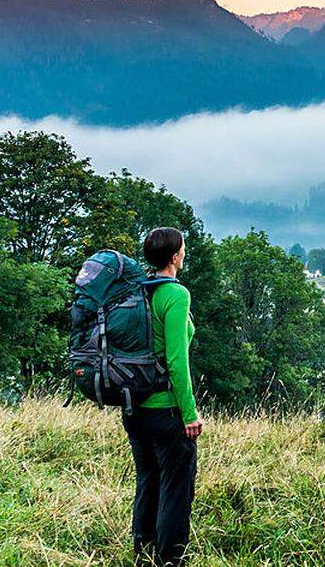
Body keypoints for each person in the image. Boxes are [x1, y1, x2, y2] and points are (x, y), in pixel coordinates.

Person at [123, 227, 202, 566]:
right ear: (174, 257)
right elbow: (176, 361)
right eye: (182, 249)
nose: (184, 253)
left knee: (148, 478)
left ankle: (143, 552)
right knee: (176, 485)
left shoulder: (137, 291)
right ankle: (171, 558)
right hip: (165, 409)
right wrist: (189, 412)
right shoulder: (175, 295)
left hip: (134, 407)